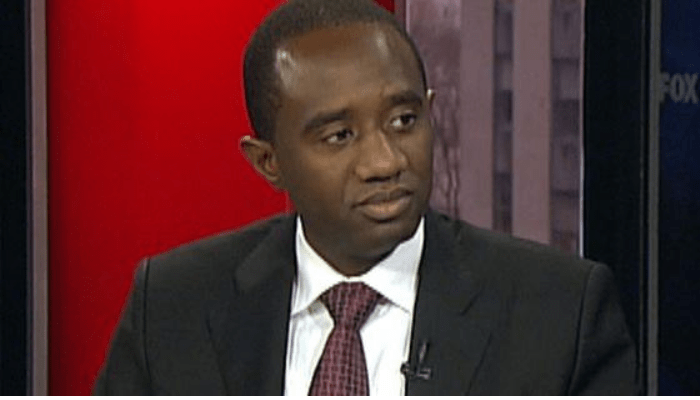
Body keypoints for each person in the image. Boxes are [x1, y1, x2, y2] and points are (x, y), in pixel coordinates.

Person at [93, 0, 637, 395]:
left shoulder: (559, 314)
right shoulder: (175, 306)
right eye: (340, 136)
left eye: (404, 121)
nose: (385, 161)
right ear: (268, 161)